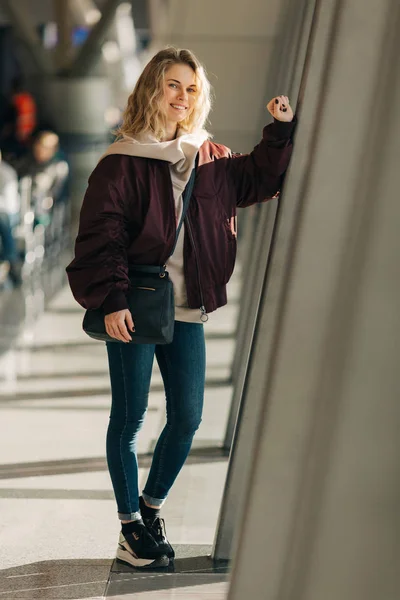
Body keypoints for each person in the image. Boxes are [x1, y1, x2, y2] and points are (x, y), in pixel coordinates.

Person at [66, 47, 295, 569]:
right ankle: (128, 527)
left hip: (188, 306)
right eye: (172, 85)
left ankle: (149, 510)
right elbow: (102, 236)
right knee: (129, 419)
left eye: (191, 88)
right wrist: (111, 300)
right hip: (136, 303)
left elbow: (259, 179)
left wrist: (279, 130)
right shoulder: (122, 161)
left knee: (188, 416)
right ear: (153, 89)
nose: (182, 97)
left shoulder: (209, 157)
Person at [0, 151, 22, 285]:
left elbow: (10, 204)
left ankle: (11, 258)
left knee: (2, 218)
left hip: (9, 214)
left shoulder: (7, 174)